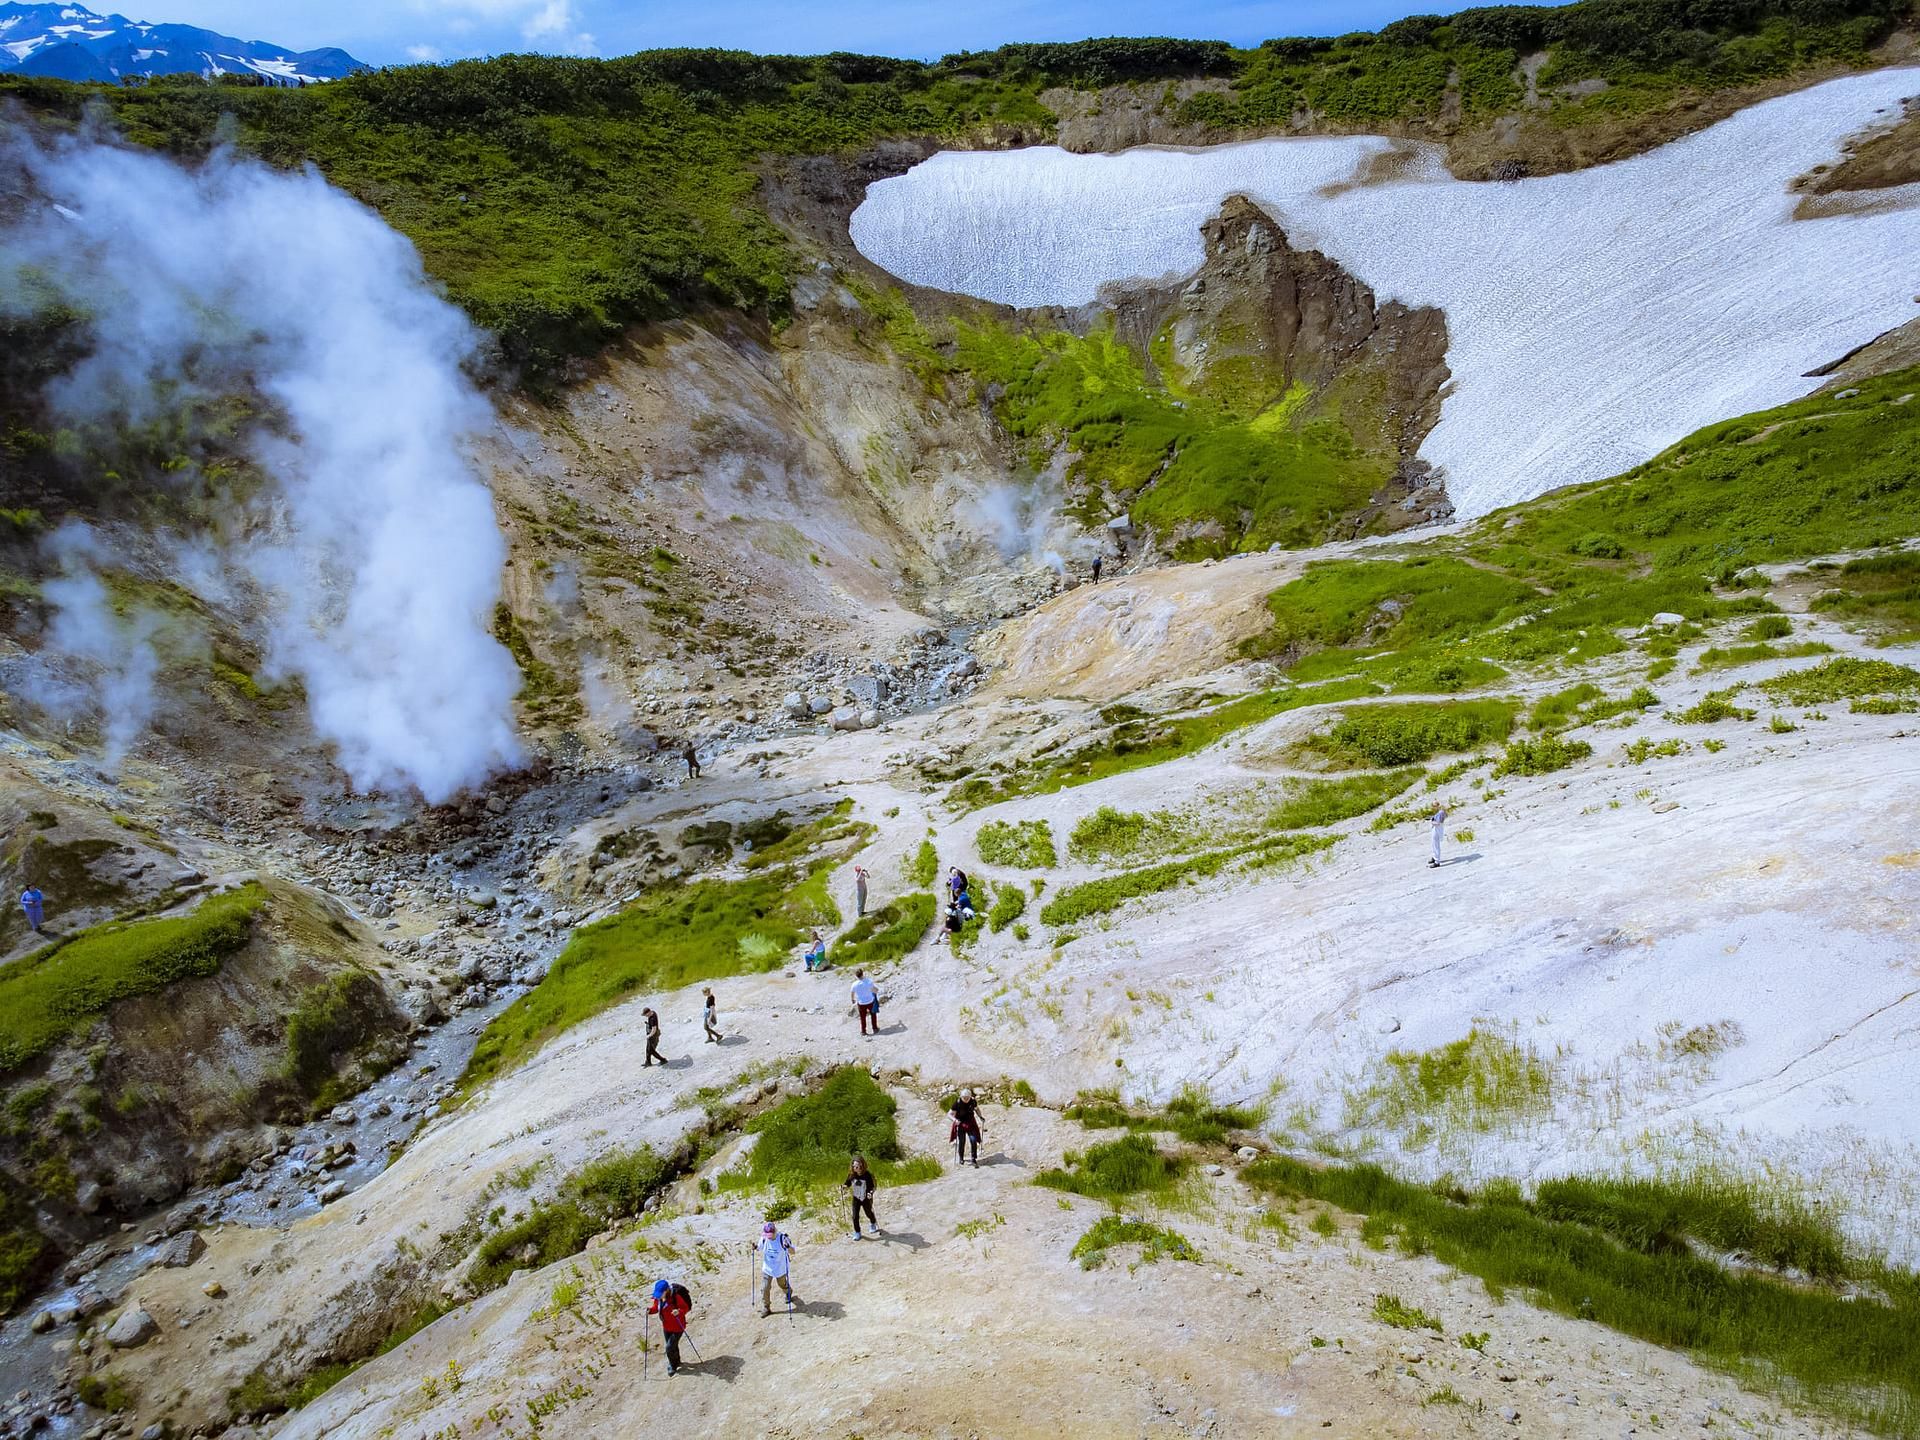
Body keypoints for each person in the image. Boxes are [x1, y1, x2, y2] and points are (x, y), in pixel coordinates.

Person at [648, 1278, 693, 1375]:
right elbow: (656, 1308)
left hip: (678, 1327)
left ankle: (672, 1365)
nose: (658, 1296)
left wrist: (678, 1312)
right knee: (673, 1346)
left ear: (666, 1290)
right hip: (666, 1327)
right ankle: (677, 1361)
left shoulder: (675, 1297)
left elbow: (685, 1308)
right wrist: (650, 1311)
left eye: (660, 1293)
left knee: (669, 1347)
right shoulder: (658, 1298)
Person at [757, 1221, 795, 1316]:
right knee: (765, 1288)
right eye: (767, 1235)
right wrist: (755, 1247)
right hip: (767, 1268)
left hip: (780, 1268)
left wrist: (788, 1246)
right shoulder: (764, 1238)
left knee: (781, 1284)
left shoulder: (783, 1238)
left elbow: (793, 1252)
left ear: (775, 1232)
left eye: (770, 1235)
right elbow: (759, 1247)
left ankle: (788, 1292)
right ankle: (766, 1308)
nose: (768, 1237)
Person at [843, 1155, 880, 1239]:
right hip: (856, 1197)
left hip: (866, 1198)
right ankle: (857, 1232)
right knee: (855, 1216)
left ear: (863, 1165)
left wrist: (870, 1193)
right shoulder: (851, 1175)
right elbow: (847, 1183)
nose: (857, 1168)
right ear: (852, 1167)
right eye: (855, 1167)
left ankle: (873, 1222)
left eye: (859, 1166)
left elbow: (871, 1186)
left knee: (868, 1213)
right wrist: (844, 1187)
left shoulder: (867, 1175)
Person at [950, 1087, 983, 1166]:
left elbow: (976, 1109)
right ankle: (961, 1158)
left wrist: (980, 1116)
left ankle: (973, 1158)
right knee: (962, 1141)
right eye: (964, 1097)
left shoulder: (973, 1102)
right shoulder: (957, 1103)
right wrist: (955, 1120)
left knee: (973, 1139)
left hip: (970, 1123)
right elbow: (950, 1114)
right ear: (961, 1097)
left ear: (970, 1097)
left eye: (967, 1097)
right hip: (960, 1124)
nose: (966, 1099)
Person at [851, 969, 879, 1036]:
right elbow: (875, 990)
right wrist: (876, 991)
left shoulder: (854, 984)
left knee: (863, 1017)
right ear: (862, 974)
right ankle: (875, 1028)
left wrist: (852, 999)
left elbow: (852, 993)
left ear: (856, 976)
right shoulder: (869, 981)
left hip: (861, 1003)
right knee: (873, 1015)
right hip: (870, 1001)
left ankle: (863, 1031)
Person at [1429, 803, 1447, 869]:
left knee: (1436, 845)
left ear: (1437, 806)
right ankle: (1434, 857)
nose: (1433, 807)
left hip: (1437, 830)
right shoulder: (1440, 812)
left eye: (1434, 806)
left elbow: (1439, 823)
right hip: (1435, 829)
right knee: (1433, 844)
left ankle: (1437, 862)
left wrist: (1431, 822)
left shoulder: (1440, 812)